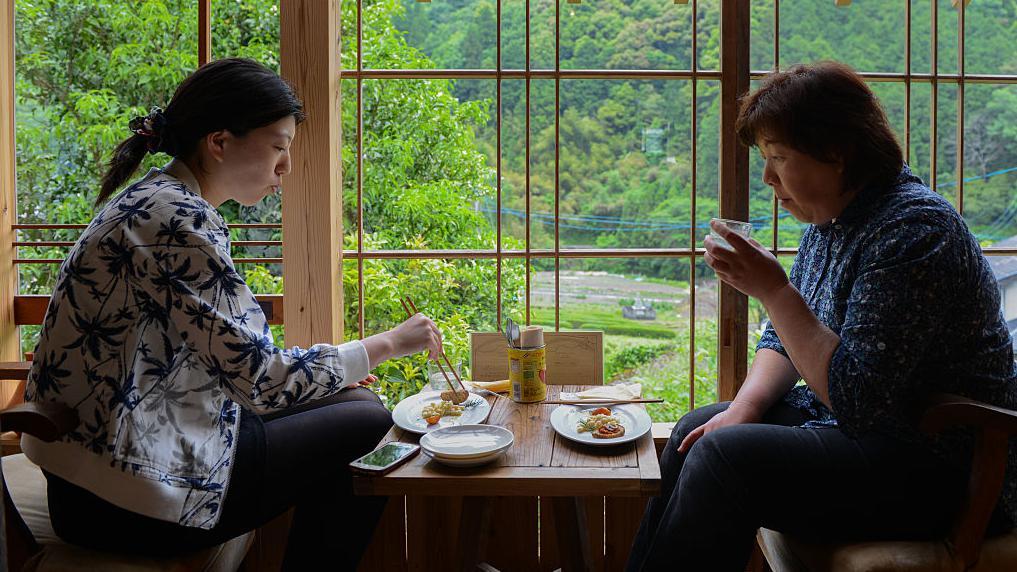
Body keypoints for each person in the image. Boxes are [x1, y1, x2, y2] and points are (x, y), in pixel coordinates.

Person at [22, 58, 442, 571]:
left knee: (349, 404)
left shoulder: (156, 201)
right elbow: (264, 382)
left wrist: (333, 376)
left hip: (104, 470)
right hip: (125, 496)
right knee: (368, 420)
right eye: (278, 146)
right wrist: (390, 343)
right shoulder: (176, 221)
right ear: (218, 142)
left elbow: (241, 365)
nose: (286, 166)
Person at [627, 61, 1017, 571]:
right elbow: (784, 340)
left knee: (725, 459)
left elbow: (858, 399)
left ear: (836, 152)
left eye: (778, 158)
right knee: (696, 430)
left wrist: (772, 289)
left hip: (943, 465)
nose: (767, 177)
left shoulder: (916, 231)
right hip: (867, 435)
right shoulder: (830, 219)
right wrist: (743, 408)